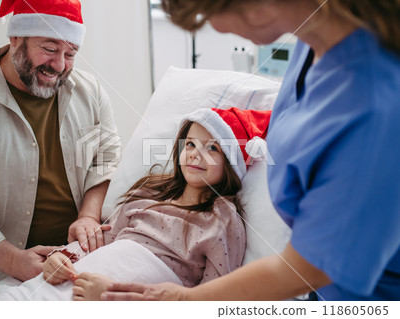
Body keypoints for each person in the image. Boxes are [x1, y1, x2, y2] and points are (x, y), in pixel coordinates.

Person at [100, 0, 400, 301]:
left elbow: (308, 269)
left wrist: (184, 300)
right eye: (189, 144)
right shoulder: (312, 44)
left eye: (210, 15)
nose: (217, 28)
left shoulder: (376, 106)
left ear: (261, 6)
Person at [0, 107, 272, 301]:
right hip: (81, 276)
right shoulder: (151, 193)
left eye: (212, 148)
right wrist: (59, 258)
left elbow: (212, 297)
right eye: (190, 144)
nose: (195, 154)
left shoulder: (221, 219)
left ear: (231, 163)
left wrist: (117, 298)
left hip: (131, 293)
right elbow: (101, 239)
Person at [0, 0, 120, 301]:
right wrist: (15, 261)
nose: (59, 65)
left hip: (76, 258)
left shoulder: (90, 92)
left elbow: (106, 159)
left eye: (70, 54)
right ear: (15, 37)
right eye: (50, 49)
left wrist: (89, 217)